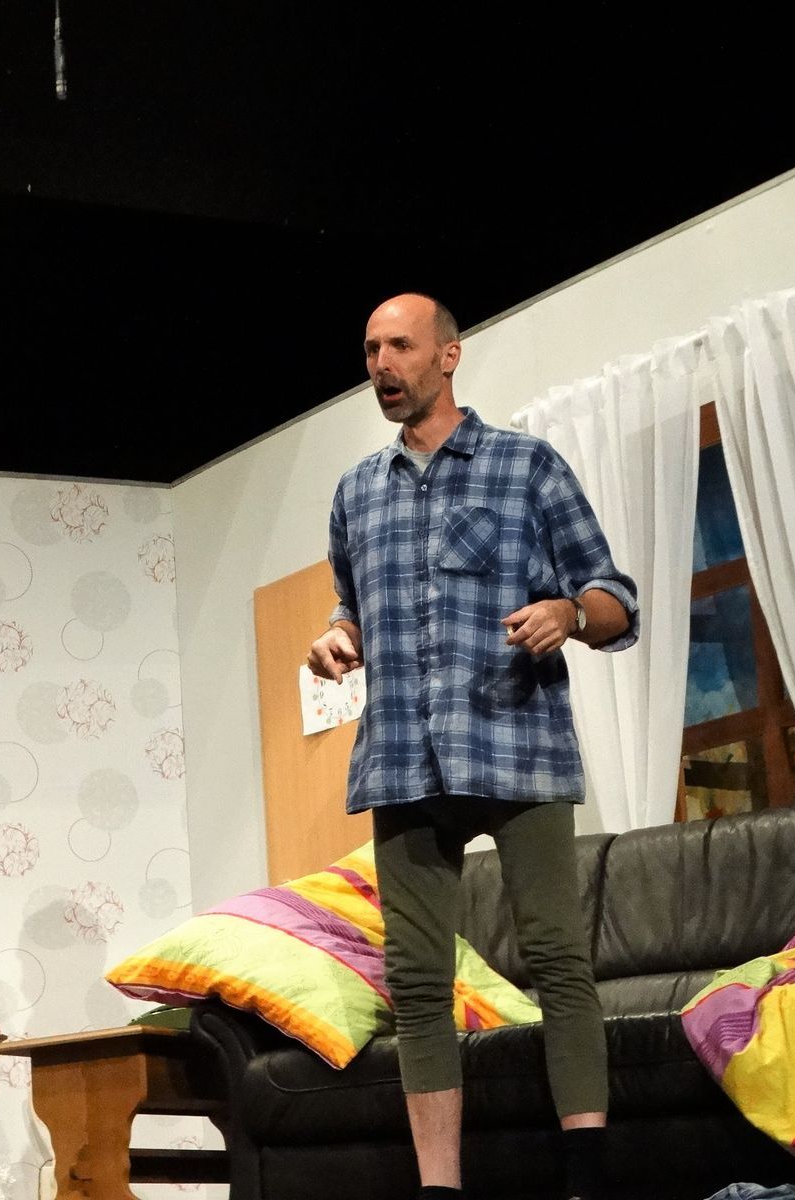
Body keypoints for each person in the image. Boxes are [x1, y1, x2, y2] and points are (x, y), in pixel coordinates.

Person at [306, 294, 639, 1200]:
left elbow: (616, 598)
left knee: (557, 959)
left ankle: (586, 1179)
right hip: (403, 760)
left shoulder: (526, 466)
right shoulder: (356, 492)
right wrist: (338, 637)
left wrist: (569, 613)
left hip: (517, 745)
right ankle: (440, 1190)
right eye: (370, 349)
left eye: (400, 346)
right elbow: (352, 606)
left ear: (448, 356)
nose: (382, 364)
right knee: (417, 983)